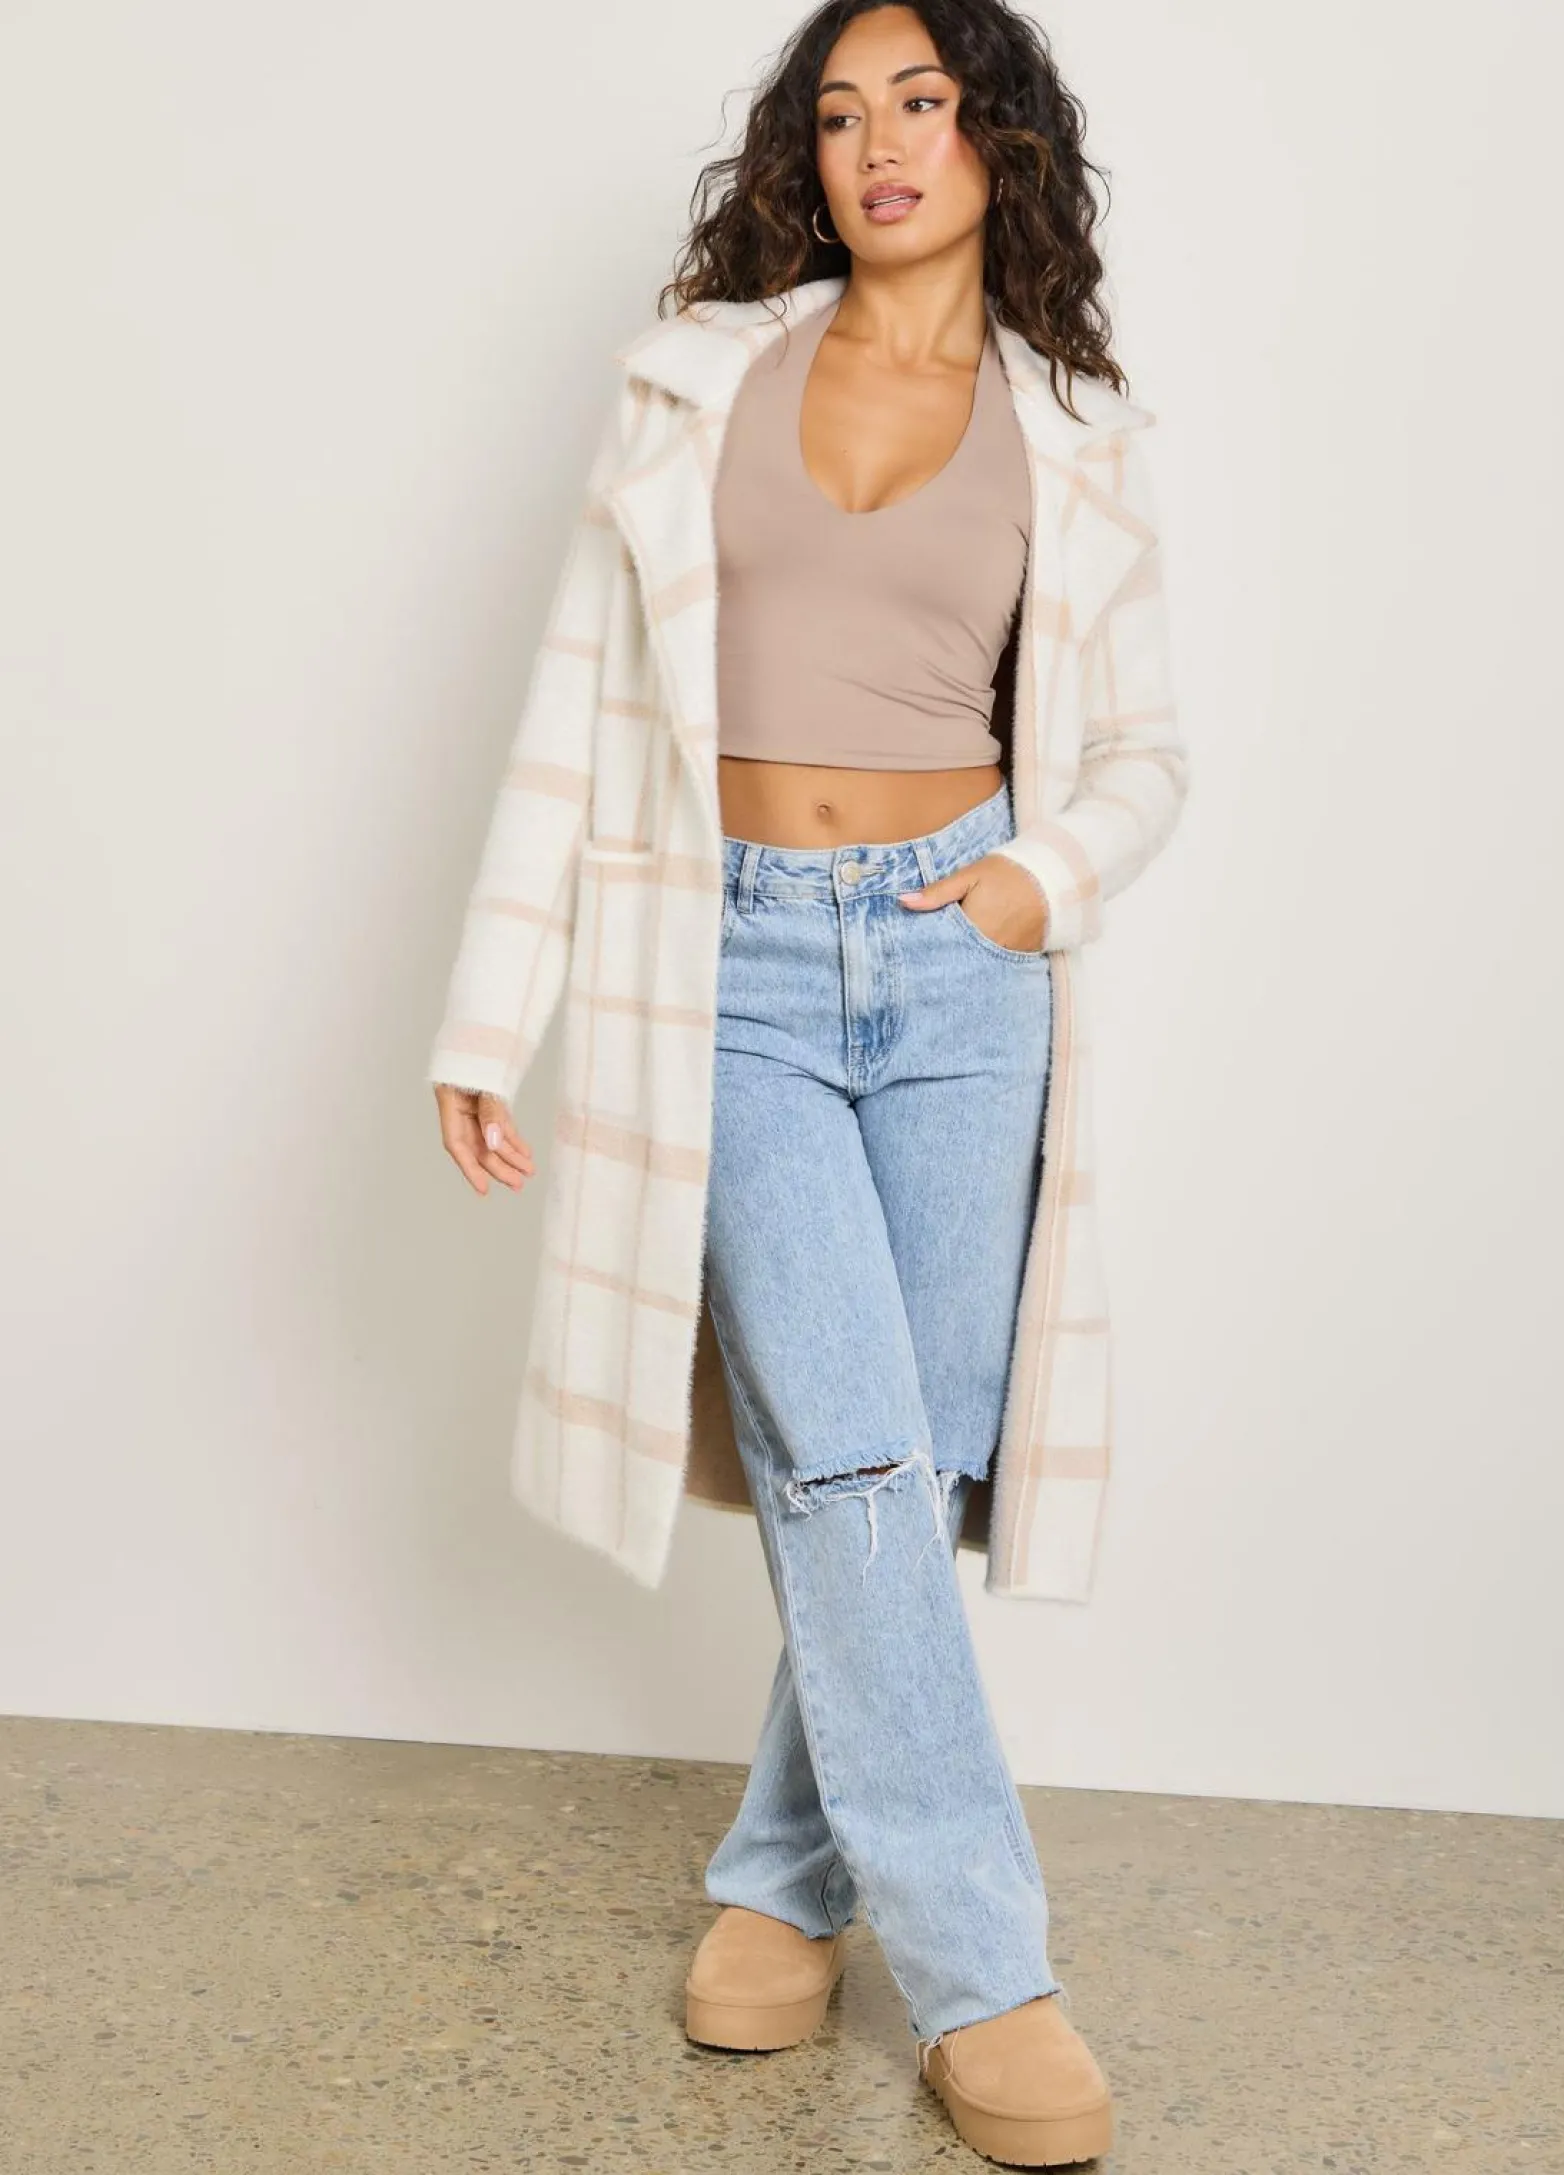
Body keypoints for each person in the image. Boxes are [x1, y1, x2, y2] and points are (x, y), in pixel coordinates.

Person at [427, 2, 1189, 2162]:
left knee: (908, 1463)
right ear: (805, 156)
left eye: (923, 104)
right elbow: (574, 715)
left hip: (963, 965)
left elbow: (1149, 754)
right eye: (840, 114)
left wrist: (1034, 886)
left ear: (1000, 140)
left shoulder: (1076, 432)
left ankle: (781, 1879)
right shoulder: (698, 383)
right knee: (843, 1447)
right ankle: (989, 1971)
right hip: (729, 959)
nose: (879, 145)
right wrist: (491, 1010)